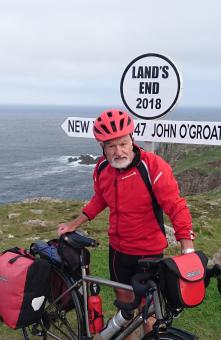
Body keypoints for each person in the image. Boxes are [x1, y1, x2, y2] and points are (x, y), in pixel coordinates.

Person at [57, 109, 195, 334]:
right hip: (118, 252)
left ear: (132, 139)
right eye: (111, 146)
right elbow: (100, 198)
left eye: (123, 143)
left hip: (148, 252)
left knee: (148, 314)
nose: (118, 151)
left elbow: (175, 206)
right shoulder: (102, 168)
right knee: (125, 309)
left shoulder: (153, 167)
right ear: (102, 148)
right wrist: (74, 224)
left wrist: (187, 247)